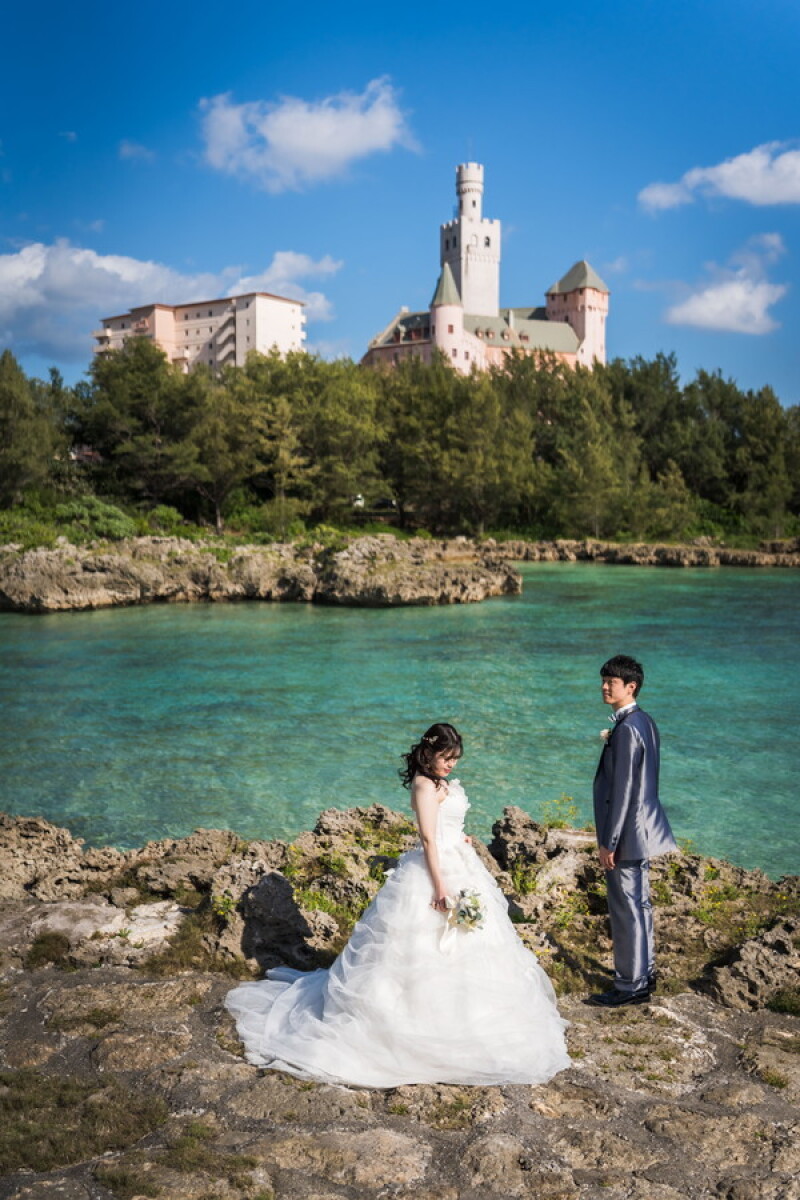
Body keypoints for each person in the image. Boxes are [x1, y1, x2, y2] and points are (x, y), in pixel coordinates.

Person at [225, 722, 570, 1087]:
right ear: (429, 753)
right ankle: (414, 1025)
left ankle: (471, 1020)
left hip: (461, 861)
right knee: (419, 948)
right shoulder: (423, 785)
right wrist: (440, 887)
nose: (451, 764)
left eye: (455, 758)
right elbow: (427, 838)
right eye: (445, 757)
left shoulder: (443, 784)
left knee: (477, 945)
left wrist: (461, 836)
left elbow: (445, 828)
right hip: (435, 871)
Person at [589, 656, 677, 1008]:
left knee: (626, 908)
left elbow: (623, 789)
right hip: (645, 827)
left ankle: (630, 985)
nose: (604, 686)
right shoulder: (646, 722)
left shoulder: (626, 729)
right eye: (604, 680)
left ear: (631, 686)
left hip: (626, 833)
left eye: (611, 681)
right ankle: (644, 973)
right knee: (639, 905)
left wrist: (608, 842)